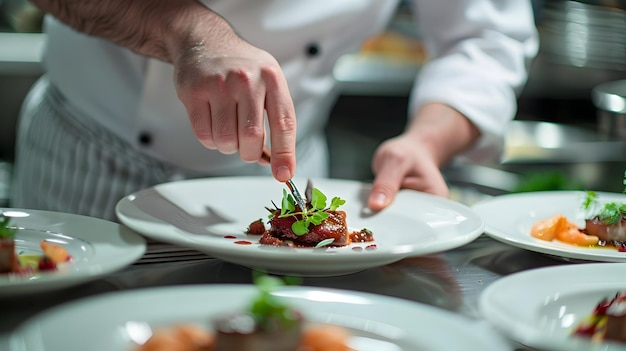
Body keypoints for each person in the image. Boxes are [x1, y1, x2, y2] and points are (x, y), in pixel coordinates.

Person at [11, 0, 538, 221]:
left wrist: (428, 138)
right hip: (89, 151)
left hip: (280, 178)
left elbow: (485, 33)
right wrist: (188, 30)